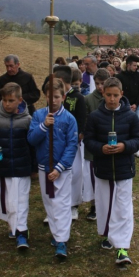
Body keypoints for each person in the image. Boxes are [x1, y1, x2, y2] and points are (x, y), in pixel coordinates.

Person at [84, 77, 139, 265]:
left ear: (121, 95)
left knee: (124, 208)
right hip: (103, 169)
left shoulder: (130, 116)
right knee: (104, 205)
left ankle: (122, 248)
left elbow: (138, 139)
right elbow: (88, 139)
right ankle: (106, 234)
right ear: (103, 94)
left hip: (124, 169)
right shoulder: (95, 116)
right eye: (108, 95)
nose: (111, 99)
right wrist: (100, 148)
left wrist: (124, 146)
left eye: (115, 95)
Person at [0, 83, 34, 250]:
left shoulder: (27, 120)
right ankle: (13, 224)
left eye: (11, 100)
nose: (7, 104)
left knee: (21, 200)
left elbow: (32, 144)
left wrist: (35, 167)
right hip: (3, 167)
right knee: (9, 201)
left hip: (21, 166)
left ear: (19, 100)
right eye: (4, 100)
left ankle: (22, 232)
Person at [27, 79, 78, 258]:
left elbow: (72, 145)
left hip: (62, 170)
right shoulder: (39, 116)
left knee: (62, 204)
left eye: (57, 97)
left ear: (63, 97)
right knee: (49, 201)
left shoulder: (69, 119)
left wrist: (59, 167)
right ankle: (56, 234)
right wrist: (43, 126)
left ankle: (62, 240)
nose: (53, 100)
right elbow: (31, 139)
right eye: (50, 97)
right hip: (43, 167)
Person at [53, 66, 86, 221]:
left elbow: (82, 118)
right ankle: (56, 205)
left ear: (62, 80)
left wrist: (79, 135)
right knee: (57, 171)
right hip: (58, 141)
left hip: (73, 142)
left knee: (75, 173)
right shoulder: (54, 97)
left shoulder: (77, 97)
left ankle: (73, 205)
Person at [83, 68, 110, 221]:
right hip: (93, 145)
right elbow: (86, 122)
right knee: (92, 178)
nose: (100, 87)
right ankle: (93, 206)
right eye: (97, 83)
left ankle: (104, 204)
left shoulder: (111, 98)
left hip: (108, 143)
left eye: (103, 83)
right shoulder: (88, 100)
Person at [115, 54, 139, 158]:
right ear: (128, 65)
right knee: (125, 127)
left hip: (137, 105)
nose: (136, 67)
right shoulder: (120, 77)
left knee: (137, 126)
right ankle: (126, 146)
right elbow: (119, 92)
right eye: (134, 65)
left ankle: (137, 148)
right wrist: (126, 104)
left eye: (137, 65)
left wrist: (136, 104)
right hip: (124, 105)